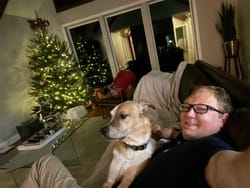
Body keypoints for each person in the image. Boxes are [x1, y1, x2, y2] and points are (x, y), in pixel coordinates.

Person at [21, 86, 250, 188]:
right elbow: (168, 131)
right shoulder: (185, 137)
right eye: (186, 106)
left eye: (202, 109)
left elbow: (236, 173)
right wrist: (163, 132)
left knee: (43, 163)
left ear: (224, 119)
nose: (189, 114)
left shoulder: (214, 152)